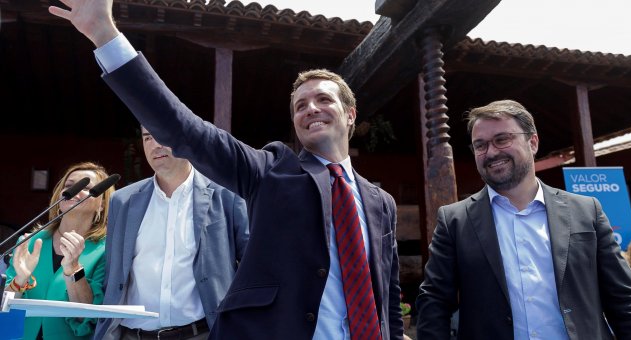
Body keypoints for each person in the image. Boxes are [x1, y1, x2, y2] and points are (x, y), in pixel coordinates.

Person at [49, 1, 403, 339]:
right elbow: (186, 130)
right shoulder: (272, 172)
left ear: (351, 114)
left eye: (324, 100)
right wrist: (104, 34)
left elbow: (386, 290)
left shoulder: (381, 202)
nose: (311, 108)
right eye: (300, 105)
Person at [416, 100, 631, 339]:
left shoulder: (586, 211)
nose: (490, 152)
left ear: (532, 142)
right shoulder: (454, 220)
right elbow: (434, 303)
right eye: (480, 145)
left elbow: (626, 299)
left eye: (502, 139)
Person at [93, 127, 249, 339]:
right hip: (133, 335)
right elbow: (113, 275)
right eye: (147, 138)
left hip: (203, 333)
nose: (155, 145)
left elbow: (253, 266)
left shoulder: (226, 195)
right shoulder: (122, 201)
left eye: (161, 134)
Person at [4, 162, 114, 340]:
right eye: (69, 186)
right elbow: (5, 305)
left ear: (102, 204)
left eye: (86, 187)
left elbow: (87, 317)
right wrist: (20, 280)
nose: (74, 191)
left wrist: (74, 270)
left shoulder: (106, 250)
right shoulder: (29, 242)